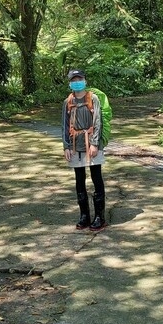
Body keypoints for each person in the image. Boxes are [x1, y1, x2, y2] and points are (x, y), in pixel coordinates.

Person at [62, 69, 106, 231]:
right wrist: (66, 146)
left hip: (92, 144)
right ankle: (84, 216)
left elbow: (98, 121)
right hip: (75, 145)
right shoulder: (68, 102)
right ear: (70, 82)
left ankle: (100, 217)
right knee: (79, 180)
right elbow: (65, 125)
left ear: (85, 80)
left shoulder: (93, 99)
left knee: (96, 177)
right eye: (74, 79)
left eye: (79, 78)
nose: (77, 81)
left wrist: (94, 143)